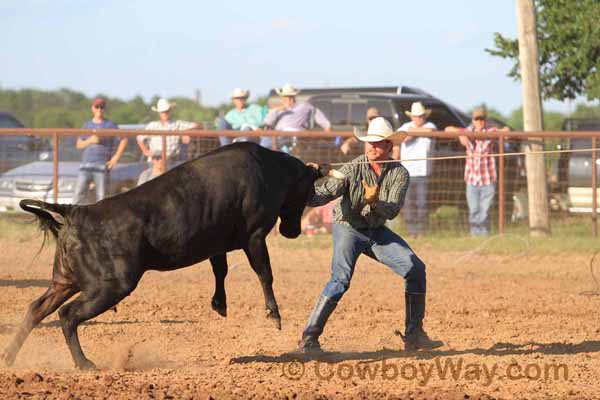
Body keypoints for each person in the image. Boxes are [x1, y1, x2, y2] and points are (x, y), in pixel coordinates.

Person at [297, 117, 443, 353]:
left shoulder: (399, 174)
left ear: (388, 146)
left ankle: (414, 334)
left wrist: (374, 202)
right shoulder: (352, 168)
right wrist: (308, 180)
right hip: (348, 227)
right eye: (369, 143)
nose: (372, 147)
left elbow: (392, 210)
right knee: (340, 280)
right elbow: (322, 196)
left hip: (376, 230)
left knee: (415, 268)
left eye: (378, 143)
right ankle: (309, 338)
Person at [445, 107, 509, 236]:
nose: (479, 122)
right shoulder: (467, 131)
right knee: (474, 209)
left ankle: (484, 234)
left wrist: (500, 132)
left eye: (482, 119)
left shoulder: (491, 131)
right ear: (473, 120)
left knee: (485, 210)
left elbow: (507, 131)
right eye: (477, 119)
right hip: (471, 178)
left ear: (485, 120)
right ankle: (475, 234)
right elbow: (448, 129)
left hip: (488, 178)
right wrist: (461, 134)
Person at [73, 97, 128, 204]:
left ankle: (101, 219)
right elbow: (78, 144)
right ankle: (71, 217)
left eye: (102, 107)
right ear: (92, 108)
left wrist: (115, 158)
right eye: (97, 107)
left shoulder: (110, 125)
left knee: (101, 196)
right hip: (86, 165)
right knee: (78, 193)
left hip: (102, 165)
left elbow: (124, 139)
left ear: (104, 109)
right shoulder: (87, 125)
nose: (99, 109)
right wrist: (90, 140)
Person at [397, 102, 437, 237]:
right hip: (407, 172)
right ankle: (411, 231)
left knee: (422, 204)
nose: (418, 118)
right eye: (416, 116)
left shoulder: (430, 126)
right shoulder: (405, 127)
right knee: (408, 204)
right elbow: (399, 138)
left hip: (423, 172)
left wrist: (410, 133)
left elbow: (430, 132)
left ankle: (421, 231)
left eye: (420, 116)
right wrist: (412, 133)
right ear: (412, 117)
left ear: (424, 116)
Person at [262, 84, 331, 151]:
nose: (288, 99)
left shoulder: (305, 106)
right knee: (265, 142)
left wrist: (327, 127)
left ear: (294, 97)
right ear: (282, 98)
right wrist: (277, 110)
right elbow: (267, 123)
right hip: (279, 137)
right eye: (286, 97)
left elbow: (322, 119)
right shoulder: (278, 110)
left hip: (297, 137)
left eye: (290, 96)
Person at [136, 98, 198, 169]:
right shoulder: (152, 125)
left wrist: (186, 132)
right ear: (159, 113)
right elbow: (139, 138)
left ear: (170, 111)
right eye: (162, 112)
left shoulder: (177, 123)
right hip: (155, 161)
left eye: (166, 111)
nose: (165, 114)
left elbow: (197, 125)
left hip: (172, 161)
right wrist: (145, 151)